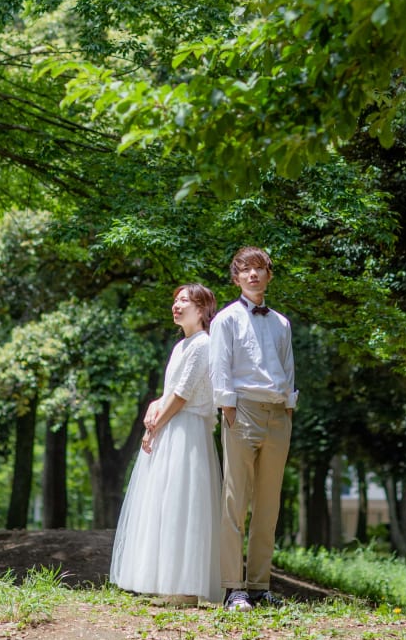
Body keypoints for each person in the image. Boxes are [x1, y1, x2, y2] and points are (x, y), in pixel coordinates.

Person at [110, 282, 222, 605]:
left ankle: (186, 589)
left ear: (201, 309)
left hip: (186, 432)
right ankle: (170, 584)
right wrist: (155, 406)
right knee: (166, 504)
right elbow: (172, 390)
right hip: (171, 428)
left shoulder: (203, 344)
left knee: (184, 504)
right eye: (175, 300)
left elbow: (184, 394)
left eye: (184, 300)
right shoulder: (181, 347)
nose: (176, 305)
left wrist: (155, 422)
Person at [209, 246, 296, 611]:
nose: (254, 275)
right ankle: (234, 587)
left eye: (260, 269)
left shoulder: (281, 322)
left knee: (269, 505)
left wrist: (288, 407)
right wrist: (228, 408)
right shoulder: (225, 320)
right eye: (246, 270)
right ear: (236, 277)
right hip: (241, 410)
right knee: (236, 501)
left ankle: (260, 586)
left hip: (278, 413)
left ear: (269, 275)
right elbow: (220, 367)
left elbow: (288, 367)